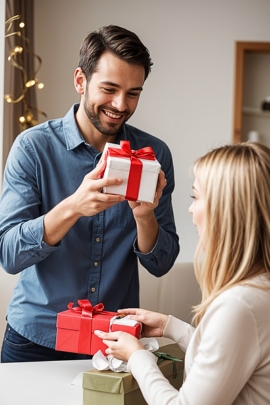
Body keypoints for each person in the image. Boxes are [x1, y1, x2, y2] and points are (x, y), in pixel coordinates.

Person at [0, 25, 179, 363]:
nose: (120, 104)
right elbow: (9, 254)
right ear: (80, 80)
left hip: (114, 342)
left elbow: (162, 263)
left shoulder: (154, 155)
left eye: (133, 93)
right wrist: (72, 207)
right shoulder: (33, 148)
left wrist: (144, 216)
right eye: (109, 89)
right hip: (34, 338)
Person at [95, 142, 270, 405]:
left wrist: (137, 357)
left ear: (225, 211)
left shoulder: (239, 305)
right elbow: (228, 355)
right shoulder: (257, 289)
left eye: (196, 197)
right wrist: (171, 327)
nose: (191, 209)